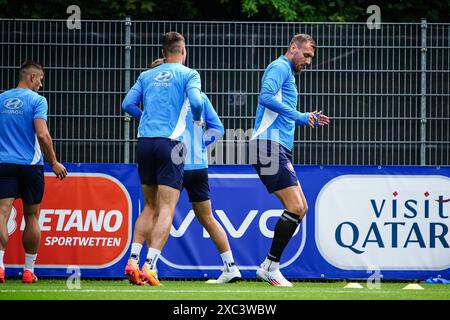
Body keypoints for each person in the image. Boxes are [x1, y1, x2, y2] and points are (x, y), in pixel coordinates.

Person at [121, 32, 204, 286]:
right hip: (171, 144)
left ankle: (133, 260)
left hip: (145, 143)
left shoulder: (147, 76)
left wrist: (143, 116)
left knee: (149, 206)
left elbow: (127, 104)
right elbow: (197, 101)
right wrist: (198, 119)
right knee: (167, 208)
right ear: (183, 50)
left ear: (163, 52)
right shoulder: (189, 73)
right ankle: (150, 266)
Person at [250, 34, 330, 287]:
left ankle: (270, 266)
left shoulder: (288, 73)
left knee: (301, 207)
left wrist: (305, 118)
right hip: (266, 146)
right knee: (296, 207)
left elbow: (281, 111)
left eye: (311, 58)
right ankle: (270, 267)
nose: (308, 61)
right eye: (305, 55)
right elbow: (265, 97)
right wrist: (301, 115)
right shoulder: (279, 67)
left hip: (278, 147)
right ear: (293, 48)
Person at [0, 61, 67, 284]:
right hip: (31, 165)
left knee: (2, 213)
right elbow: (42, 134)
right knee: (32, 216)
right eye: (40, 80)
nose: (40, 84)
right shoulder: (37, 101)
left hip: (3, 163)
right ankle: (28, 271)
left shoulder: (1, 99)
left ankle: (0, 266)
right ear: (31, 77)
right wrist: (54, 162)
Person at [182, 91, 241, 284]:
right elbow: (218, 129)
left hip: (173, 166)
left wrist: (195, 143)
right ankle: (230, 267)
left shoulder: (162, 97)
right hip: (198, 166)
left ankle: (150, 267)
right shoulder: (199, 96)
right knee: (207, 217)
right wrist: (198, 144)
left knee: (159, 213)